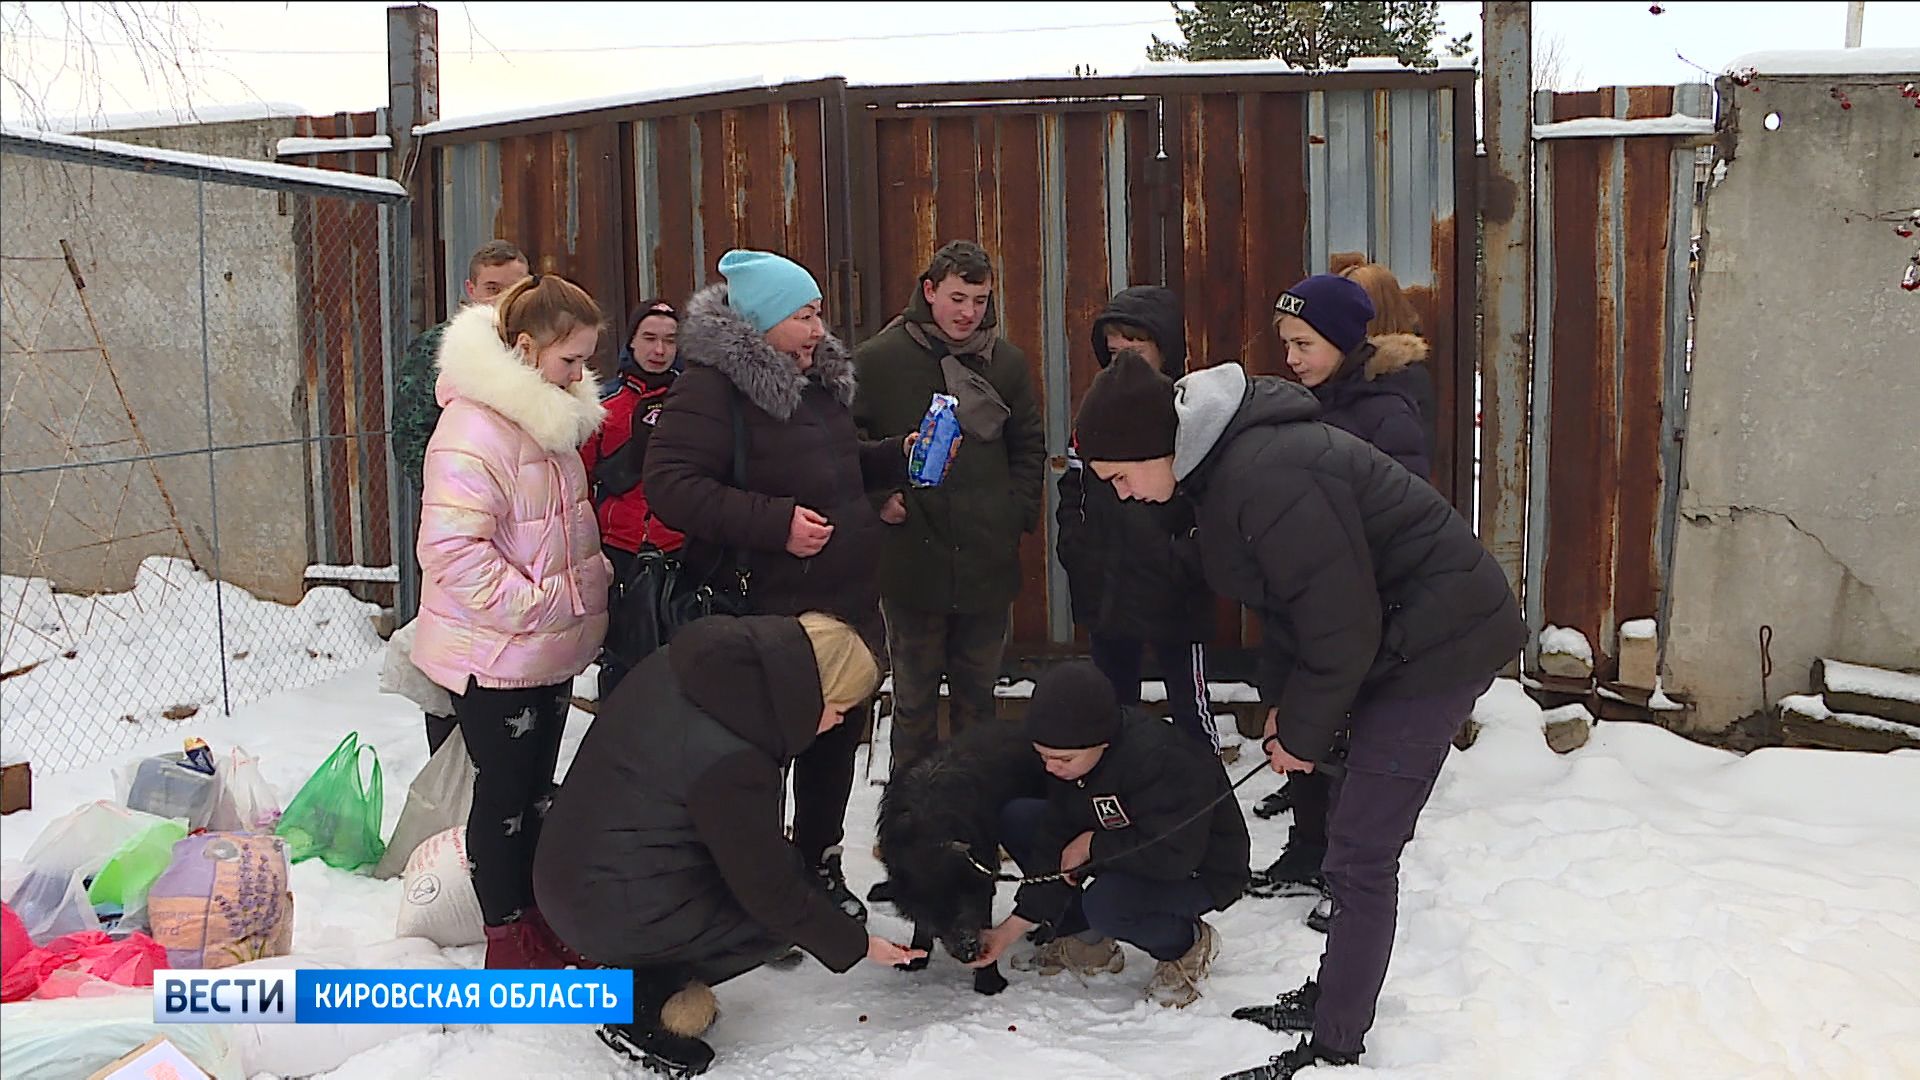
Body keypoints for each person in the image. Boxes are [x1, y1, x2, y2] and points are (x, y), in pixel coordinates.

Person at [1070, 350, 1526, 1078]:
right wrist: (1282, 707)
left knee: (1361, 852)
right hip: (1397, 635)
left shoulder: (1265, 475)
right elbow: (1287, 607)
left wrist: (1304, 734)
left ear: (1158, 449)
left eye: (1121, 477)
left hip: (1441, 643)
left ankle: (1334, 1046)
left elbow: (1340, 627)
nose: (1124, 494)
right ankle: (1337, 997)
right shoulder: (1228, 472)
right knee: (1351, 833)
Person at [534, 612, 925, 1077]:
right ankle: (643, 1009)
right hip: (605, 906)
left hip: (575, 867)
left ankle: (642, 968)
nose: (838, 722)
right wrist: (856, 944)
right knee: (778, 919)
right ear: (813, 692)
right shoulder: (733, 755)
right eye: (839, 708)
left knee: (778, 880)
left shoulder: (692, 668)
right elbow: (769, 892)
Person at [645, 249, 912, 923]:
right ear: (760, 322)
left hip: (842, 601)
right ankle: (756, 888)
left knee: (833, 746)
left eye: (818, 313)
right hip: (766, 612)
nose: (817, 329)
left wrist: (897, 460)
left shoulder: (817, 384)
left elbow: (836, 466)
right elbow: (670, 487)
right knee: (762, 758)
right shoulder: (709, 389)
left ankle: (819, 865)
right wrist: (775, 524)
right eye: (803, 315)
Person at [409, 273, 612, 970]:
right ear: (525, 348)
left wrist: (589, 584)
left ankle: (534, 915)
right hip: (496, 656)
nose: (580, 374)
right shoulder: (473, 430)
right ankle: (507, 935)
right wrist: (544, 604)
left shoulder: (547, 418)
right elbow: (448, 550)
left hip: (544, 648)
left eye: (586, 360)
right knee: (502, 801)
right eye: (570, 360)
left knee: (533, 796)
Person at [1251, 273, 1441, 925]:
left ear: (1338, 339)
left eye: (1304, 343)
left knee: (1347, 741)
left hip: (1359, 604)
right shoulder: (1306, 401)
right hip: (1305, 594)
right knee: (1304, 720)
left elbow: (1400, 516)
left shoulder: (1384, 411)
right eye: (1287, 344)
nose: (1292, 358)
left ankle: (1344, 874)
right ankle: (1305, 849)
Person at [852, 240, 1047, 774]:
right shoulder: (877, 360)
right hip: (913, 559)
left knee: (978, 703)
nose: (968, 313)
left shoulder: (1004, 362)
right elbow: (844, 448)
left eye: (980, 301)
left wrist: (1015, 514)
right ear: (930, 290)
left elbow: (1029, 445)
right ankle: (909, 820)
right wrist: (877, 501)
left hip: (988, 560)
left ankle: (975, 814)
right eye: (958, 297)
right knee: (913, 705)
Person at [968, 662, 1249, 1009]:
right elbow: (1053, 840)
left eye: (1062, 758)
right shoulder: (1071, 767)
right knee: (1020, 819)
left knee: (1107, 903)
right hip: (1122, 846)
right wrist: (1008, 931)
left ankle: (1186, 945)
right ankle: (1086, 941)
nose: (1050, 768)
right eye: (1043, 756)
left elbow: (1174, 854)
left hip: (1196, 868)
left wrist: (1092, 845)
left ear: (1100, 742)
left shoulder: (1161, 759)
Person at [1056, 287, 1217, 753]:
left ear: (1166, 350)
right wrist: (1078, 548)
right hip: (1107, 584)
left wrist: (1181, 559)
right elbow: (1073, 488)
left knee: (1190, 708)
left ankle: (1206, 797)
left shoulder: (1190, 417)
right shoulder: (1097, 412)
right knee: (1113, 704)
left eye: (1137, 352)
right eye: (1114, 354)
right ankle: (1124, 789)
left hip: (1174, 591)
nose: (1124, 363)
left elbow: (1210, 506)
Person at [392, 238, 530, 753]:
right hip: (460, 527)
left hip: (526, 533)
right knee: (454, 651)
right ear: (470, 290)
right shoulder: (437, 349)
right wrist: (461, 503)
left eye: (514, 288)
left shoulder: (535, 349)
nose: (502, 300)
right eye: (492, 289)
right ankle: (450, 762)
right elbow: (410, 435)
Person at [580, 298, 684, 701]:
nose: (659, 351)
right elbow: (581, 483)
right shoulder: (603, 406)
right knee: (623, 663)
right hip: (620, 553)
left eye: (670, 341)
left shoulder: (692, 403)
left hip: (680, 550)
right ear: (632, 342)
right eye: (650, 339)